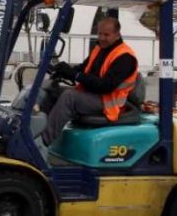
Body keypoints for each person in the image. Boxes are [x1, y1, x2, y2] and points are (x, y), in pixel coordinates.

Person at [42, 17, 138, 146]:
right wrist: (65, 70)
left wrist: (76, 75)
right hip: (93, 95)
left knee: (69, 97)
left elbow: (105, 86)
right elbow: (84, 69)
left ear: (117, 35)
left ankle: (43, 142)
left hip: (108, 102)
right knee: (50, 90)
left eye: (106, 35)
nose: (102, 38)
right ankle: (33, 132)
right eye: (100, 34)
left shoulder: (125, 57)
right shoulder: (100, 49)